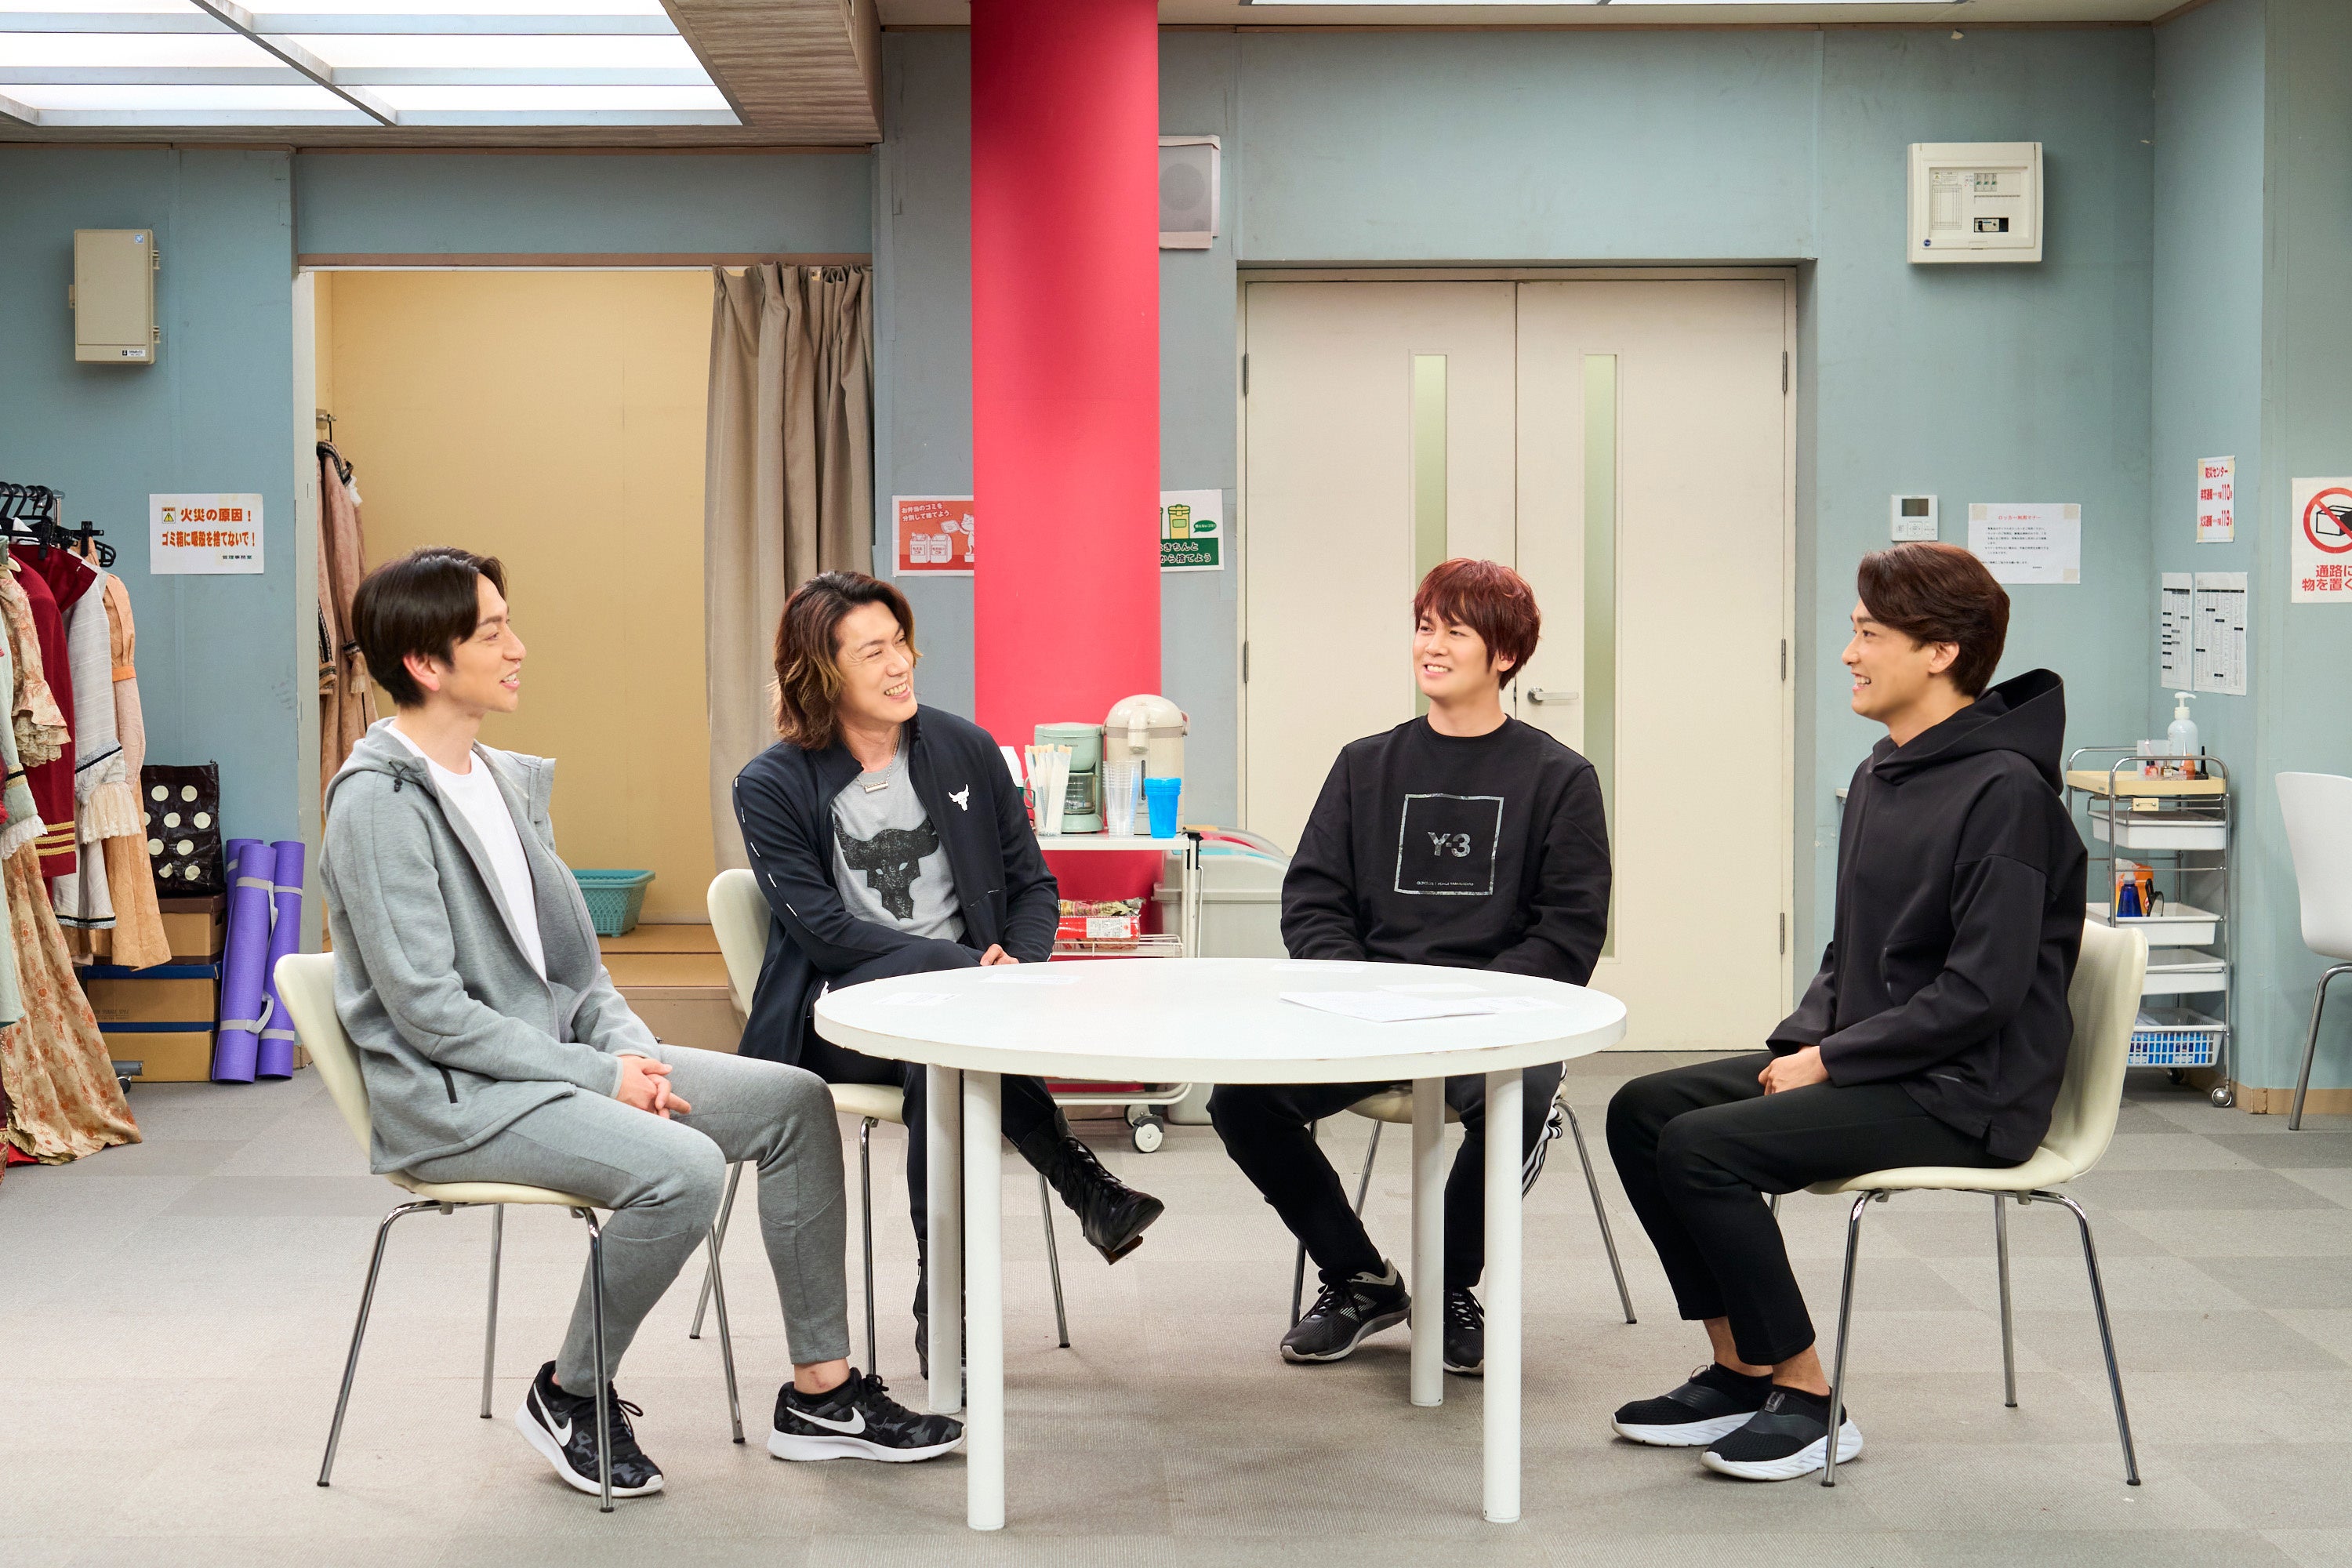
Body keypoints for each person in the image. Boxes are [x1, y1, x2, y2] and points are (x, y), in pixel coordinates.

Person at [321, 548, 962, 1504]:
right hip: (455, 1097)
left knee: (795, 1101)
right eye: (492, 632)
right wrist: (601, 1077)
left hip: (555, 1064)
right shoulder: (377, 805)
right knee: (685, 1168)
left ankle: (821, 1395)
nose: (517, 646)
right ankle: (570, 1391)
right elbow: (430, 1012)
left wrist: (624, 1046)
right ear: (425, 662)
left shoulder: (498, 778)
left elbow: (576, 968)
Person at [1605, 542, 2086, 1483]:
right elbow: (1853, 950)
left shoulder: (2007, 794)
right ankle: (1742, 1370)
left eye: (1869, 633)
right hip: (1892, 1059)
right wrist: (1802, 1044)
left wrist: (1828, 1062)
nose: (1848, 652)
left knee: (1703, 1148)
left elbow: (1982, 991)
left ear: (1940, 651)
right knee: (1643, 1110)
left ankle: (1810, 1397)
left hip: (1969, 1089)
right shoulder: (1882, 771)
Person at [732, 570, 1164, 1374]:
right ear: (820, 673)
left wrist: (1015, 964)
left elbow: (1032, 884)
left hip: (968, 1009)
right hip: (842, 1019)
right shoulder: (771, 785)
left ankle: (946, 1304)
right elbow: (826, 934)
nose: (901, 664)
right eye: (873, 652)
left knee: (943, 1054)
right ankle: (1082, 1184)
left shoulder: (964, 747)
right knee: (944, 1035)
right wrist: (970, 973)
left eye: (900, 642)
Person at [1210, 558, 1611, 1374]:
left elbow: (1569, 930)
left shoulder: (1560, 778)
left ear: (1504, 653)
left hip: (1489, 1023)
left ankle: (1449, 1285)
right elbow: (1312, 900)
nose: (1432, 645)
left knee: (1521, 1097)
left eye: (1455, 631)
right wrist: (1362, 993)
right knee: (1241, 1100)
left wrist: (1474, 1006)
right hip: (1366, 1015)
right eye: (1425, 627)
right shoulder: (1365, 765)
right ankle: (1361, 1279)